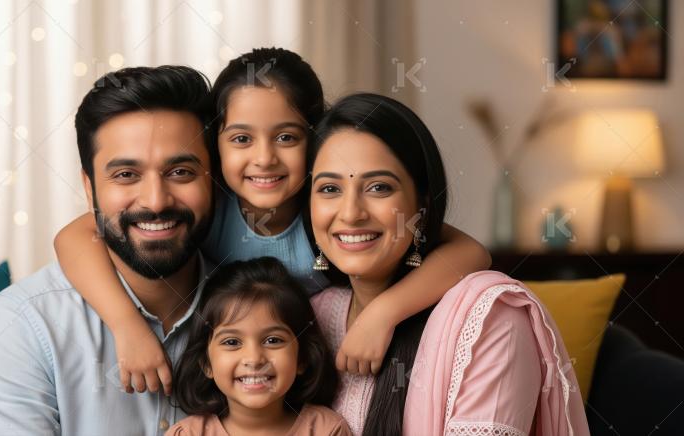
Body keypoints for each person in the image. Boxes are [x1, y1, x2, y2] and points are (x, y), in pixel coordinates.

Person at [53, 47, 492, 399]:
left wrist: (384, 313)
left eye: (286, 137)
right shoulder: (213, 202)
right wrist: (127, 326)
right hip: (239, 372)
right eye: (242, 139)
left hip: (318, 368)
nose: (264, 159)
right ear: (215, 146)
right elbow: (76, 234)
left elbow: (470, 251)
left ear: (315, 140)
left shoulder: (325, 206)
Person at [308, 93, 590, 435]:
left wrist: (385, 311)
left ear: (422, 206)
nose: (351, 213)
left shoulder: (491, 321)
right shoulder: (313, 318)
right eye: (328, 189)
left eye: (379, 187)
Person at [0, 66, 216, 435]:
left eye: (180, 172)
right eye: (126, 175)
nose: (156, 201)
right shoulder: (23, 324)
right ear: (89, 188)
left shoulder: (262, 305)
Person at [166, 257, 351, 436]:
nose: (254, 359)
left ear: (302, 357)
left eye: (272, 340)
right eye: (232, 342)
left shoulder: (326, 430)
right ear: (206, 363)